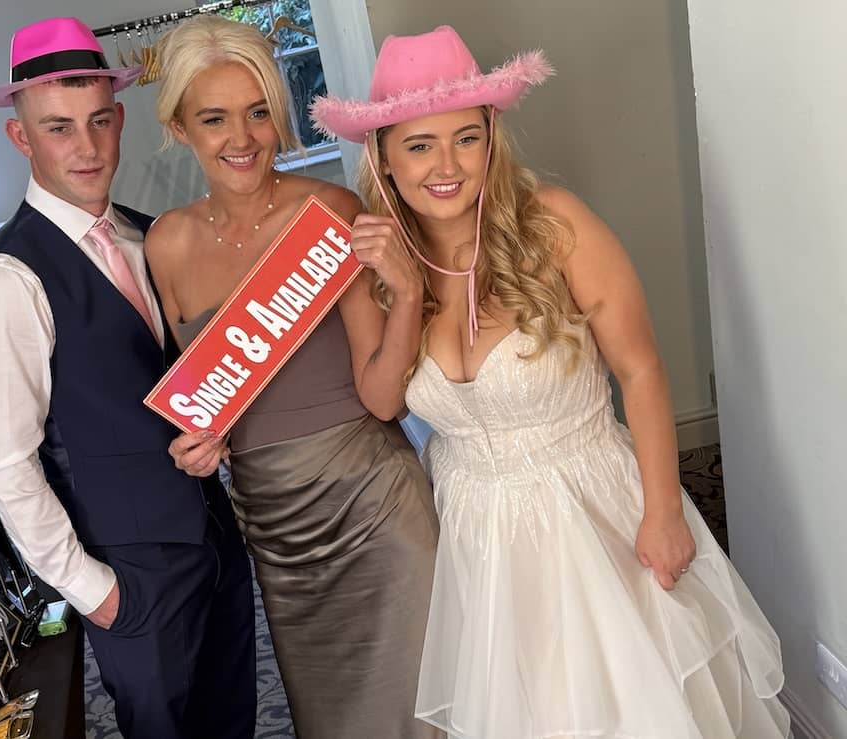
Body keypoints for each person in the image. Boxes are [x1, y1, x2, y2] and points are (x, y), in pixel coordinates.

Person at [313, 25, 791, 739]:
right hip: (479, 530)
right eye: (419, 144)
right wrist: (407, 295)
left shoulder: (553, 225)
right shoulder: (373, 264)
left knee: (634, 705)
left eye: (466, 138)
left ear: (491, 136)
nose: (447, 164)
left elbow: (640, 367)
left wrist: (663, 508)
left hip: (594, 507)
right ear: (381, 155)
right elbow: (382, 399)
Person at [0, 17, 255, 739]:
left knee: (233, 718)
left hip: (215, 538)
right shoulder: (1, 283)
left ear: (119, 122)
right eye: (58, 128)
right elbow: (4, 471)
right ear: (22, 138)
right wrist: (98, 593)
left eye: (99, 122)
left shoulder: (156, 236)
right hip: (129, 575)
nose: (85, 147)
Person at [147, 15, 440, 739]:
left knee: (419, 715)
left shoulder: (328, 212)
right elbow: (199, 397)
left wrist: (404, 295)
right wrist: (191, 443)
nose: (241, 138)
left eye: (257, 113)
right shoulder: (166, 244)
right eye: (214, 119)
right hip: (276, 531)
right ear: (181, 127)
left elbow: (382, 397)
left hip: (377, 513)